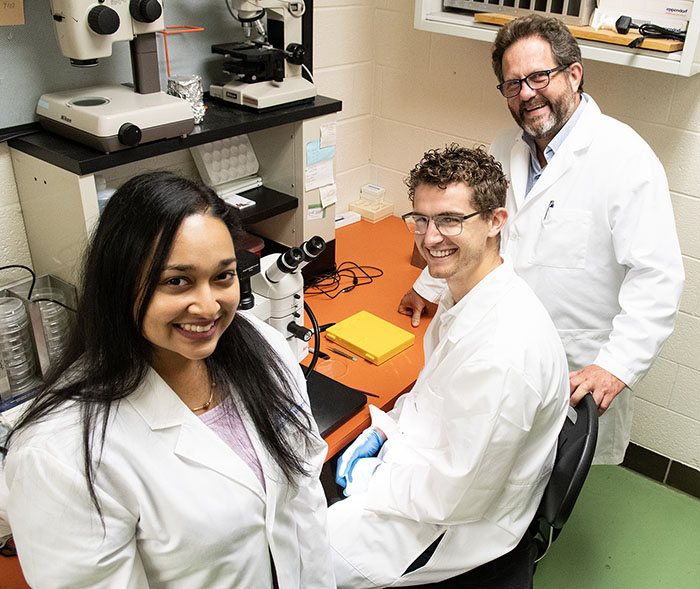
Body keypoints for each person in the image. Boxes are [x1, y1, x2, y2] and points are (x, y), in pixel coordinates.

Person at [2, 172, 335, 588]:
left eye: (223, 276)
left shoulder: (264, 350)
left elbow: (304, 508)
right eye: (177, 281)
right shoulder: (62, 452)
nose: (208, 305)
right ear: (121, 286)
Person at [399, 14, 684, 465]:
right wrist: (427, 288)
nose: (526, 93)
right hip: (497, 348)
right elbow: (474, 232)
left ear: (574, 74)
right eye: (512, 84)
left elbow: (658, 277)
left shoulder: (625, 159)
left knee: (540, 477)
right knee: (481, 463)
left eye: (538, 76)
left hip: (571, 364)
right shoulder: (503, 148)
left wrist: (616, 366)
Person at [327, 145, 569, 587]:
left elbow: (455, 497)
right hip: (427, 474)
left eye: (451, 220)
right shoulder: (465, 296)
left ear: (496, 221)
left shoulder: (504, 354)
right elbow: (431, 393)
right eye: (421, 219)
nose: (430, 237)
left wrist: (374, 477)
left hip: (450, 529)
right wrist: (385, 429)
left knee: (292, 557)